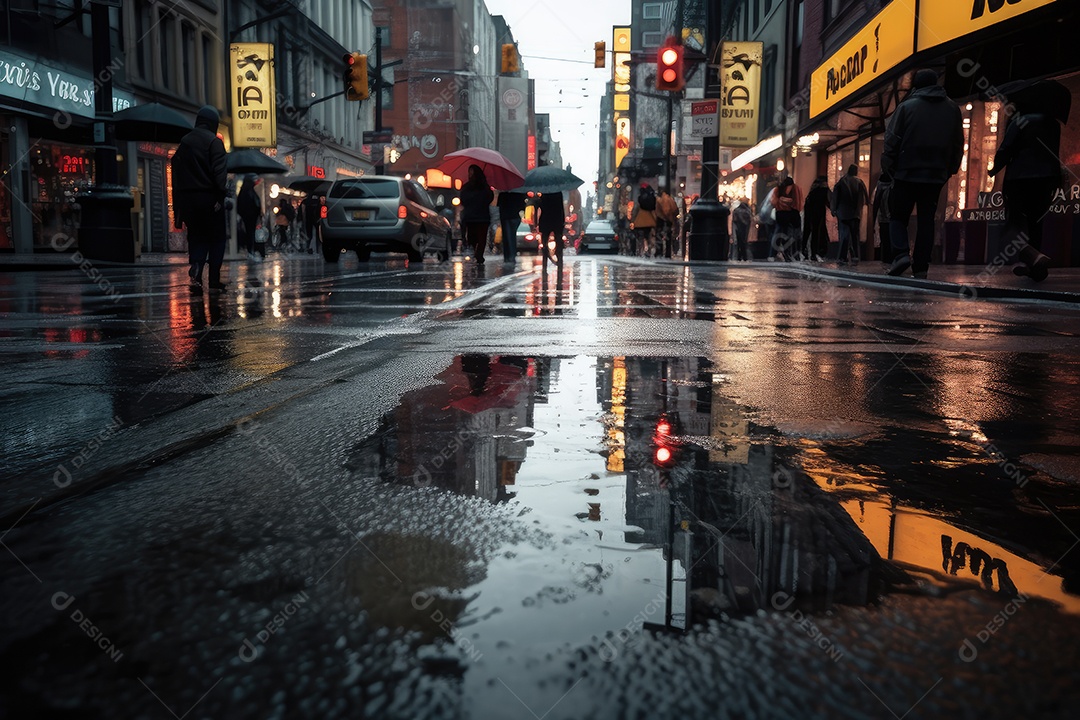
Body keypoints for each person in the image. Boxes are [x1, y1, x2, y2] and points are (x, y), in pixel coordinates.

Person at [882, 69, 964, 278]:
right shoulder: (952, 108)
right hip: (936, 174)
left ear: (916, 86)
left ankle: (900, 254)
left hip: (906, 171)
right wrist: (951, 169)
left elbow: (892, 139)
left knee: (898, 216)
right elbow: (958, 143)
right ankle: (921, 266)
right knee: (927, 219)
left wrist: (889, 164)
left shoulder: (906, 107)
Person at [989, 80, 1066, 282]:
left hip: (1020, 178)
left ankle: (1032, 256)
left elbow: (1007, 148)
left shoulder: (1020, 121)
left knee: (1012, 222)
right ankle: (1036, 268)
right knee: (1035, 221)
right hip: (1047, 178)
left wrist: (994, 169)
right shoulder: (1053, 123)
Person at [171, 104, 228, 292]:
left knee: (196, 236)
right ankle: (213, 280)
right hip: (209, 199)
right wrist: (221, 197)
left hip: (188, 201)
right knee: (217, 238)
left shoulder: (184, 142)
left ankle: (196, 266)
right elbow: (219, 175)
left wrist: (178, 206)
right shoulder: (214, 142)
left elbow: (176, 175)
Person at [831, 164, 870, 266]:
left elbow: (835, 196)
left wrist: (833, 209)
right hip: (855, 213)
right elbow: (866, 198)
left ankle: (842, 257)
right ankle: (855, 256)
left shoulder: (842, 181)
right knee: (855, 236)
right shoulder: (859, 182)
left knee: (844, 235)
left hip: (843, 213)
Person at [460, 164, 494, 264]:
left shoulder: (470, 187)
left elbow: (464, 200)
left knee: (478, 237)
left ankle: (478, 254)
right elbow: (489, 199)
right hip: (476, 217)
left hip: (476, 217)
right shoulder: (484, 187)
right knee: (476, 237)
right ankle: (478, 254)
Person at [769, 176, 803, 261]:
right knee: (787, 234)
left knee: (785, 234)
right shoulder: (795, 190)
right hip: (787, 215)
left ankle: (782, 253)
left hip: (785, 214)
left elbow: (774, 201)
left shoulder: (781, 190)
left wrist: (782, 201)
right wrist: (788, 203)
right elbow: (798, 203)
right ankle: (787, 254)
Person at [802, 175, 831, 262]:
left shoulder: (812, 191)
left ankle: (803, 251)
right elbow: (828, 202)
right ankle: (814, 254)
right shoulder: (824, 191)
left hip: (809, 213)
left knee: (807, 232)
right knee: (816, 233)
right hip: (818, 214)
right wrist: (834, 211)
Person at [236, 174, 262, 261]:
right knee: (250, 233)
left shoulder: (245, 192)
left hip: (248, 217)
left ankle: (250, 250)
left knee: (250, 233)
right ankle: (251, 250)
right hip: (249, 217)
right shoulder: (250, 193)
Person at [536, 190, 566, 266]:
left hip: (546, 220)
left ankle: (546, 258)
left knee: (544, 241)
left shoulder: (544, 194)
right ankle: (559, 258)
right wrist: (563, 221)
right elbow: (561, 208)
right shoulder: (558, 193)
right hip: (557, 220)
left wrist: (539, 200)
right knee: (558, 240)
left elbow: (541, 207)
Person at [497, 190, 526, 263]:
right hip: (515, 216)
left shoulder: (503, 193)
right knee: (512, 235)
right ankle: (511, 255)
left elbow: (499, 205)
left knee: (507, 237)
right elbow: (522, 205)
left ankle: (508, 256)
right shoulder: (518, 192)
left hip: (506, 217)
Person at [631, 183, 657, 257]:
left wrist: (632, 220)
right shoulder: (651, 200)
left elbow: (635, 211)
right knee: (648, 237)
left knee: (640, 238)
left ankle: (640, 251)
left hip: (639, 222)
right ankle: (648, 251)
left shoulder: (639, 200)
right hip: (650, 221)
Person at [873, 173, 893, 267]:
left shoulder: (880, 188)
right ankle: (890, 259)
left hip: (883, 218)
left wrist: (873, 222)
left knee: (885, 239)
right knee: (890, 239)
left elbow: (876, 204)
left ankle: (886, 259)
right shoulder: (893, 186)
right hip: (892, 218)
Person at [655, 188, 680, 258]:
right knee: (668, 238)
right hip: (669, 220)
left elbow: (666, 210)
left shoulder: (661, 199)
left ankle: (659, 252)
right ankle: (668, 254)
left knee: (659, 236)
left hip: (662, 219)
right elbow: (676, 210)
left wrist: (666, 217)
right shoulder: (671, 199)